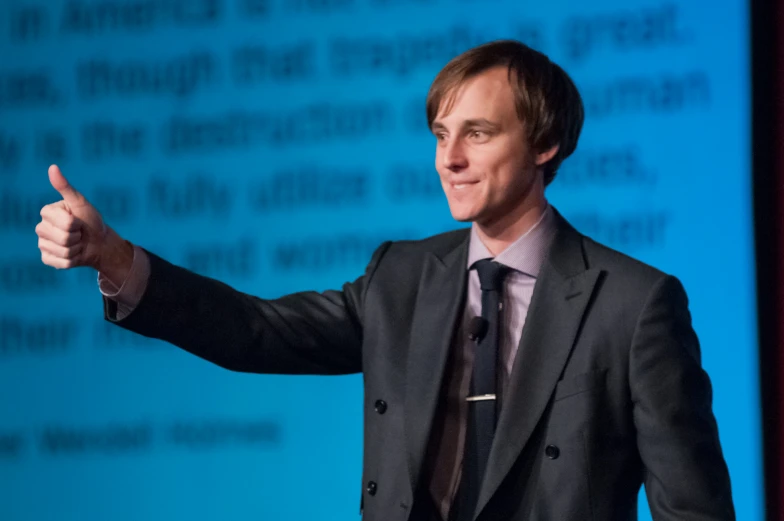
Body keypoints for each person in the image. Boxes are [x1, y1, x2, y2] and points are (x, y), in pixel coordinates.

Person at [35, 40, 734, 520]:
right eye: (439, 134)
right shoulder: (402, 278)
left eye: (478, 133)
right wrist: (116, 260)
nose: (449, 159)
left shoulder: (633, 303)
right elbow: (257, 332)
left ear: (546, 143)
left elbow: (692, 506)